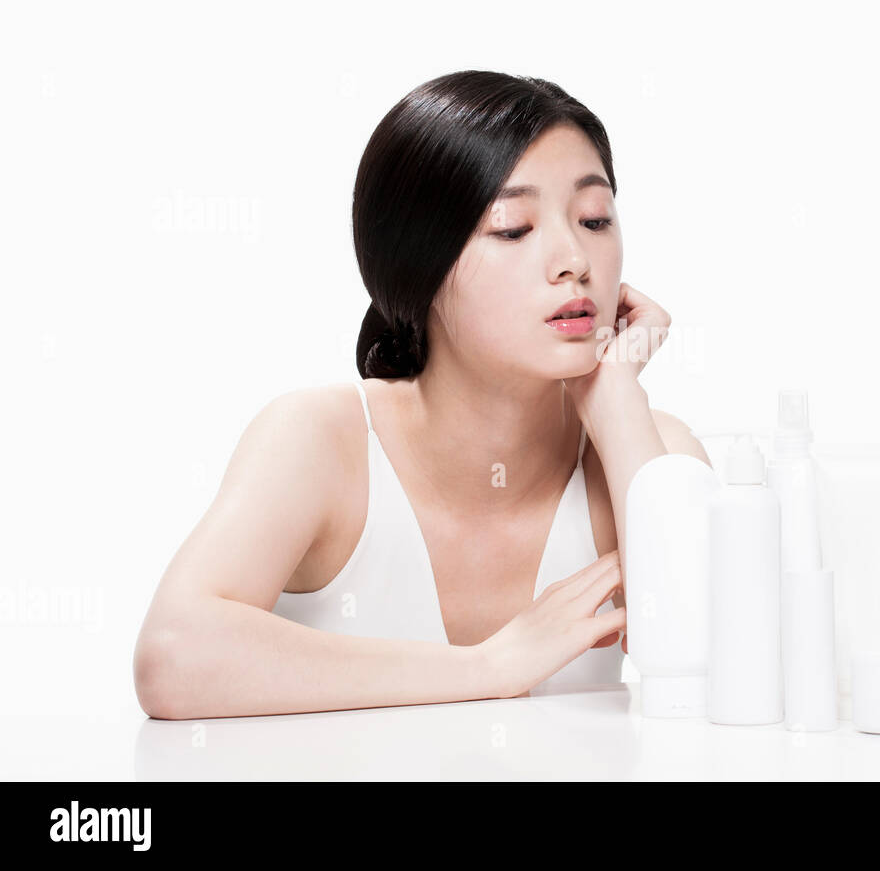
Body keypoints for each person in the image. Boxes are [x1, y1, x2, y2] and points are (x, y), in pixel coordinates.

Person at [133, 71, 711, 720]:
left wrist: (616, 396)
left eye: (594, 218)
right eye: (513, 227)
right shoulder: (320, 440)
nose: (574, 258)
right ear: (419, 264)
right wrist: (491, 666)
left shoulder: (653, 452)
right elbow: (174, 655)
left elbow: (720, 663)